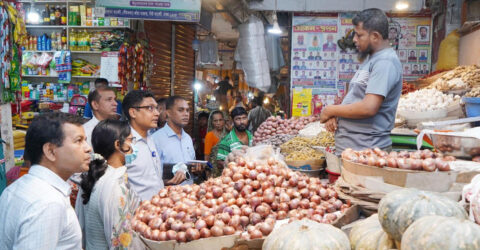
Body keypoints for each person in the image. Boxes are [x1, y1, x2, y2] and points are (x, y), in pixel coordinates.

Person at [0, 113, 92, 249]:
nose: (88, 148)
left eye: (85, 140)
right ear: (50, 151)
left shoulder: (17, 188)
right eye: (78, 141)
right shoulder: (48, 202)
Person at [319, 8, 402, 155]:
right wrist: (337, 115)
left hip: (365, 153)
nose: (354, 40)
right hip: (355, 150)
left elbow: (368, 108)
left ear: (375, 36)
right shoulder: (372, 59)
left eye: (359, 35)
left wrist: (330, 110)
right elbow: (357, 95)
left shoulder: (385, 62)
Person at [76, 120, 143, 249]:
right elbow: (121, 242)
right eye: (130, 140)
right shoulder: (116, 186)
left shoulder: (94, 176)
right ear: (118, 145)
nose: (134, 145)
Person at [153, 96, 205, 186]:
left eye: (187, 110)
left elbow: (190, 169)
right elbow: (151, 175)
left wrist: (196, 171)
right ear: (168, 113)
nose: (186, 114)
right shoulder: (156, 139)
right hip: (167, 195)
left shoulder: (188, 138)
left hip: (188, 194)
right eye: (181, 110)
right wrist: (166, 183)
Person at [122, 90, 163, 201]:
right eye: (150, 108)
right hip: (135, 212)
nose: (157, 113)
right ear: (133, 113)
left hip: (155, 210)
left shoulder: (151, 138)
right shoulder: (124, 143)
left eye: (156, 108)